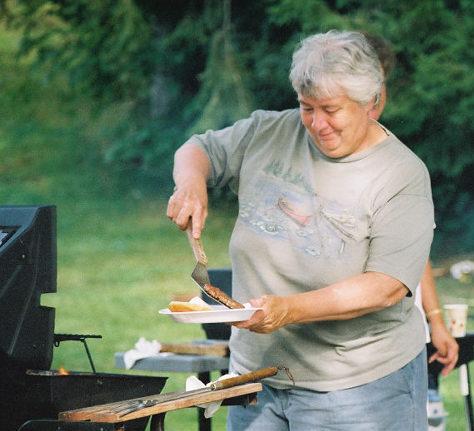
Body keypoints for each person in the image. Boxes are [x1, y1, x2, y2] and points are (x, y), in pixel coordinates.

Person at [168, 30, 434, 430]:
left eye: (331, 109)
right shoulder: (269, 133)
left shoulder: (401, 175)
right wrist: (191, 184)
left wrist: (288, 310)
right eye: (306, 107)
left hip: (357, 389)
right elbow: (198, 149)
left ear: (371, 104)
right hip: (255, 380)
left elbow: (384, 286)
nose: (316, 124)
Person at [364, 32, 459, 377]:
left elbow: (414, 249)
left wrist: (436, 321)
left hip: (400, 337)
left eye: (379, 87)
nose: (374, 102)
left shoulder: (398, 163)